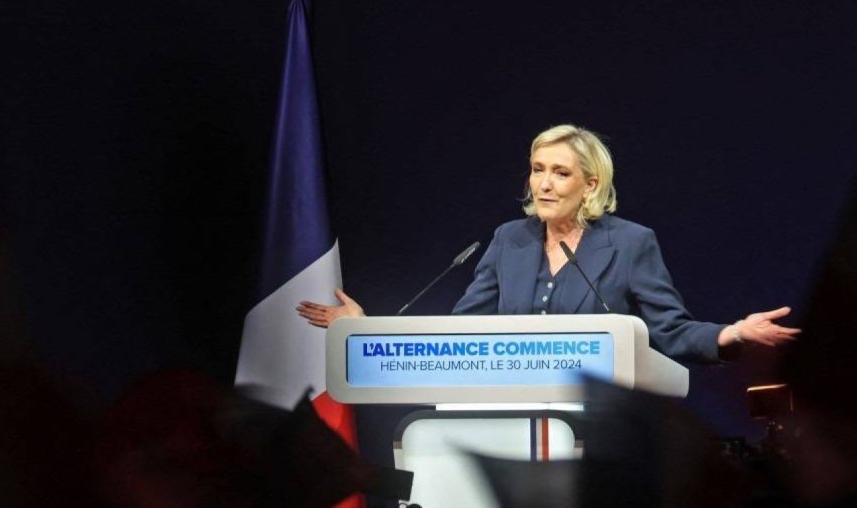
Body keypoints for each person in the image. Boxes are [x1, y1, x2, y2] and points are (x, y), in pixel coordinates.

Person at [297, 124, 799, 363]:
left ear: (591, 185)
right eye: (538, 170)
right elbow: (461, 331)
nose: (545, 183)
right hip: (503, 408)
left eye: (561, 173)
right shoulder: (508, 240)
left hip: (594, 421)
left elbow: (668, 330)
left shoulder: (630, 243)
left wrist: (731, 333)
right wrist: (370, 331)